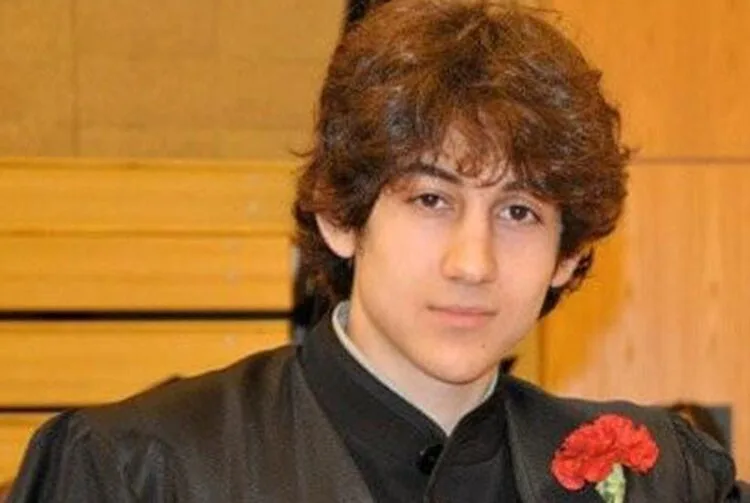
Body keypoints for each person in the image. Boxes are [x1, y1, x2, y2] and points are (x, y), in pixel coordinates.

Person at [8, 0, 744, 501]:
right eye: (431, 200)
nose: (473, 262)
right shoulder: (140, 470)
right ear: (340, 215)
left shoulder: (664, 479)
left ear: (568, 257)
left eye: (519, 211)